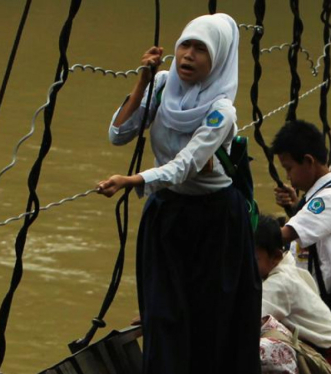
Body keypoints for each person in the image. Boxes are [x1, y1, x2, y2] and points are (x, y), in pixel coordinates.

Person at [97, 14, 261, 373]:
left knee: (210, 317)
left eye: (201, 49)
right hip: (168, 214)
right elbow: (118, 134)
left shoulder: (221, 111)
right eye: (185, 45)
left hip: (215, 220)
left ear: (218, 57)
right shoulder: (161, 84)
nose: (188, 55)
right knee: (161, 312)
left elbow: (185, 164)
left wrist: (133, 181)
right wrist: (142, 82)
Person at [255, 215, 331, 374]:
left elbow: (251, 318)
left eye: (254, 258)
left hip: (323, 353)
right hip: (325, 346)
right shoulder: (285, 266)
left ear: (276, 257)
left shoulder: (280, 283)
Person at [272, 119, 331, 296]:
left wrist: (244, 230)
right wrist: (296, 207)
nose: (288, 177)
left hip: (319, 301)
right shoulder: (321, 195)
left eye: (289, 168)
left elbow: (285, 235)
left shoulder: (329, 199)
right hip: (310, 295)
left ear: (309, 161)